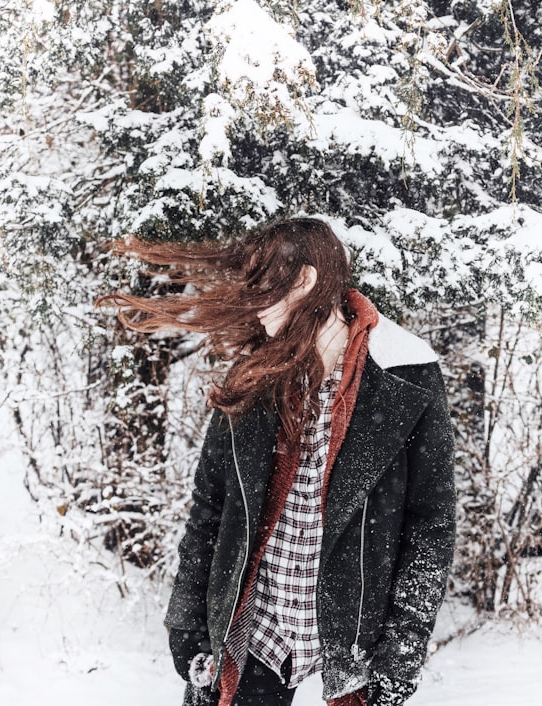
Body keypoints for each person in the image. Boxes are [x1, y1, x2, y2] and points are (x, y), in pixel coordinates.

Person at [101, 217, 455, 706]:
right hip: (253, 640)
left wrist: (401, 655)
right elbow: (210, 506)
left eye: (263, 287)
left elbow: (431, 529)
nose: (253, 306)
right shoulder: (256, 374)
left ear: (305, 280)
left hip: (349, 653)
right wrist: (187, 621)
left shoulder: (406, 375)